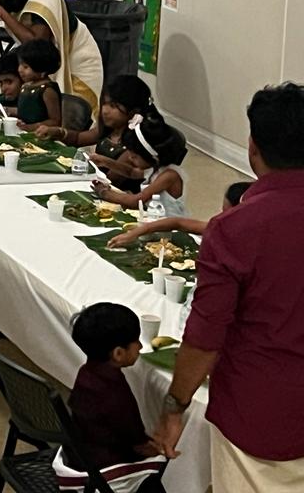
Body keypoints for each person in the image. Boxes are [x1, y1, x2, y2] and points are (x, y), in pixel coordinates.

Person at [154, 83, 304, 492]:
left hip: (261, 411)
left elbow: (205, 336)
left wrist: (174, 406)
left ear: (253, 147)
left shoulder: (236, 228)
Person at [66, 303, 166, 492]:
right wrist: (161, 449)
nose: (140, 346)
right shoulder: (115, 395)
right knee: (168, 464)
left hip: (80, 455)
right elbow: (138, 444)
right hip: (104, 472)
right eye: (136, 341)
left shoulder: (85, 372)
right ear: (118, 353)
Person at [38, 75, 157, 192]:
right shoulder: (110, 128)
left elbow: (111, 180)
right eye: (104, 103)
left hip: (116, 195)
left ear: (134, 111)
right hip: (97, 187)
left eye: (113, 106)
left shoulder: (135, 143)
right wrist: (57, 132)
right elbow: (78, 138)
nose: (105, 110)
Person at [107, 181, 251, 249]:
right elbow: (177, 223)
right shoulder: (222, 226)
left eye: (225, 212)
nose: (220, 216)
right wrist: (135, 233)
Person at [92, 114, 188, 216]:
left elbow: (136, 201)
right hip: (152, 216)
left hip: (169, 222)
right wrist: (106, 162)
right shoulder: (155, 167)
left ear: (152, 156)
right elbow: (131, 172)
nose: (130, 158)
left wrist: (105, 193)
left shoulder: (169, 175)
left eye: (134, 157)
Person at [15, 38, 63, 130]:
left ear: (41, 69)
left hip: (40, 134)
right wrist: (8, 110)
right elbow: (27, 111)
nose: (20, 70)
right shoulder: (26, 86)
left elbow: (55, 121)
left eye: (25, 67)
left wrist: (31, 127)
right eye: (20, 65)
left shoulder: (47, 90)